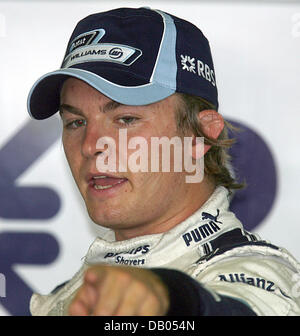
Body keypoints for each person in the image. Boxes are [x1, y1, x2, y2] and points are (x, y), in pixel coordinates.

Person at [27, 7, 300, 316]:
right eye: (75, 122)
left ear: (201, 136)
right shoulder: (68, 296)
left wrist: (168, 299)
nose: (91, 146)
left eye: (126, 119)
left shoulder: (259, 276)